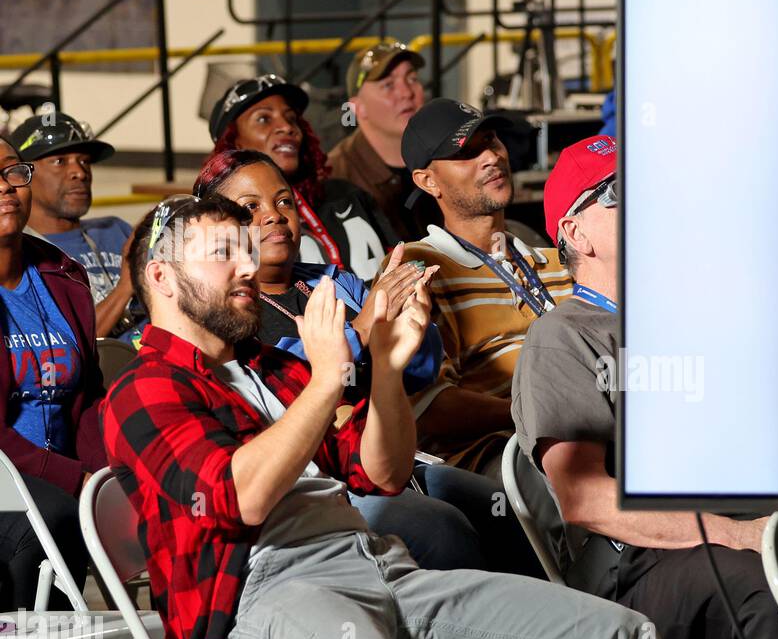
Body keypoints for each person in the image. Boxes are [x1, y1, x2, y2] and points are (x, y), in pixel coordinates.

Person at [99, 193, 698, 639]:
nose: (248, 266)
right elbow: (237, 499)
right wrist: (331, 376)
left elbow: (380, 472)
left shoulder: (271, 369)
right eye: (223, 253)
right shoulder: (143, 387)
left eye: (247, 249)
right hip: (264, 598)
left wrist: (384, 366)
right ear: (162, 277)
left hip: (379, 567)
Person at [511, 136, 778, 639]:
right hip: (637, 563)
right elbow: (585, 497)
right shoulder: (566, 336)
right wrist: (733, 533)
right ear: (575, 232)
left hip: (743, 523)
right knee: (769, 589)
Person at [192, 148, 539, 578]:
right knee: (443, 531)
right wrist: (362, 329)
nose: (274, 215)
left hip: (392, 454)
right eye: (250, 208)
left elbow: (419, 372)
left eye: (284, 201)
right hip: (320, 476)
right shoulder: (231, 307)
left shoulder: (332, 280)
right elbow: (282, 385)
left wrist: (414, 320)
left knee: (507, 513)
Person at [0, 137, 107, 639]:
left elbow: (90, 394)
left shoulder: (60, 274)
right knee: (44, 531)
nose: (5, 185)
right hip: (8, 488)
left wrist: (102, 475)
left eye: (10, 170)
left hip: (64, 486)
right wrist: (75, 485)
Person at [397, 98, 574, 478]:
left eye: (491, 140)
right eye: (467, 152)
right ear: (427, 181)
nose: (491, 156)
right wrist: (540, 411)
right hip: (505, 457)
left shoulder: (558, 260)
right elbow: (431, 409)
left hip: (586, 431)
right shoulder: (418, 267)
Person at [207, 73, 397, 280]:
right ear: (234, 145)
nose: (288, 127)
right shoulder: (223, 224)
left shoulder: (347, 194)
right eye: (264, 119)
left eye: (291, 119)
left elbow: (401, 261)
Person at [14, 112, 139, 338]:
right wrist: (126, 287)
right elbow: (64, 344)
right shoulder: (20, 253)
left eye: (84, 161)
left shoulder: (115, 229)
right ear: (23, 174)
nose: (79, 173)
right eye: (59, 161)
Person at [328, 41, 440, 241]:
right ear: (357, 107)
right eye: (388, 85)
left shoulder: (448, 154)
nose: (407, 93)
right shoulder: (336, 178)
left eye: (412, 78)